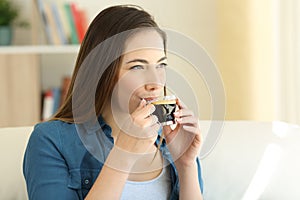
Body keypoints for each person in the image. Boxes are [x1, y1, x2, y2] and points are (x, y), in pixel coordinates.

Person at [23, 4, 204, 200]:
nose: (156, 82)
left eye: (161, 65)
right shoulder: (51, 141)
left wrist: (187, 166)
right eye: (137, 67)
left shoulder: (172, 142)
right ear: (101, 73)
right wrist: (123, 155)